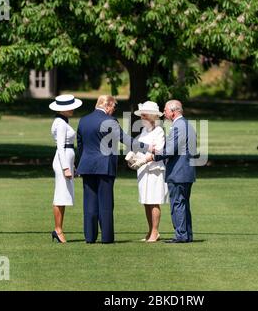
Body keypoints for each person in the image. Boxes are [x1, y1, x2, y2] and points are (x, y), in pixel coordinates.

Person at [76, 95, 151, 244]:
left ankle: (90, 237)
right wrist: (147, 147)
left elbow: (80, 145)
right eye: (114, 107)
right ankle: (107, 237)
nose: (114, 110)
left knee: (89, 203)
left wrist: (82, 162)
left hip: (87, 165)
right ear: (108, 105)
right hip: (104, 166)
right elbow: (125, 139)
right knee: (105, 203)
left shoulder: (83, 120)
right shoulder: (110, 121)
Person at [146, 100, 197, 243]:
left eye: (166, 110)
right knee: (184, 203)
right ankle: (187, 234)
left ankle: (181, 235)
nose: (164, 112)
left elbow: (170, 150)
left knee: (178, 203)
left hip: (178, 172)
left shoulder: (178, 127)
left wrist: (154, 155)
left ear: (173, 111)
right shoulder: (188, 125)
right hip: (187, 171)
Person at [126, 101, 168, 242]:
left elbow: (159, 151)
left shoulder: (159, 131)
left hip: (155, 169)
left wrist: (144, 159)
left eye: (144, 115)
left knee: (154, 200)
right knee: (146, 200)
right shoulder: (144, 131)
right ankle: (150, 231)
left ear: (151, 116)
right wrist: (132, 157)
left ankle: (155, 232)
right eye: (141, 116)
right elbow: (138, 147)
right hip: (143, 170)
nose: (141, 118)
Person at [49, 94, 82, 243]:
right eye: (70, 107)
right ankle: (58, 229)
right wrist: (66, 168)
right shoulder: (61, 123)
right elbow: (61, 147)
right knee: (60, 196)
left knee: (63, 196)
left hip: (66, 160)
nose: (73, 109)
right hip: (63, 161)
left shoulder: (62, 121)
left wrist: (71, 165)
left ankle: (59, 229)